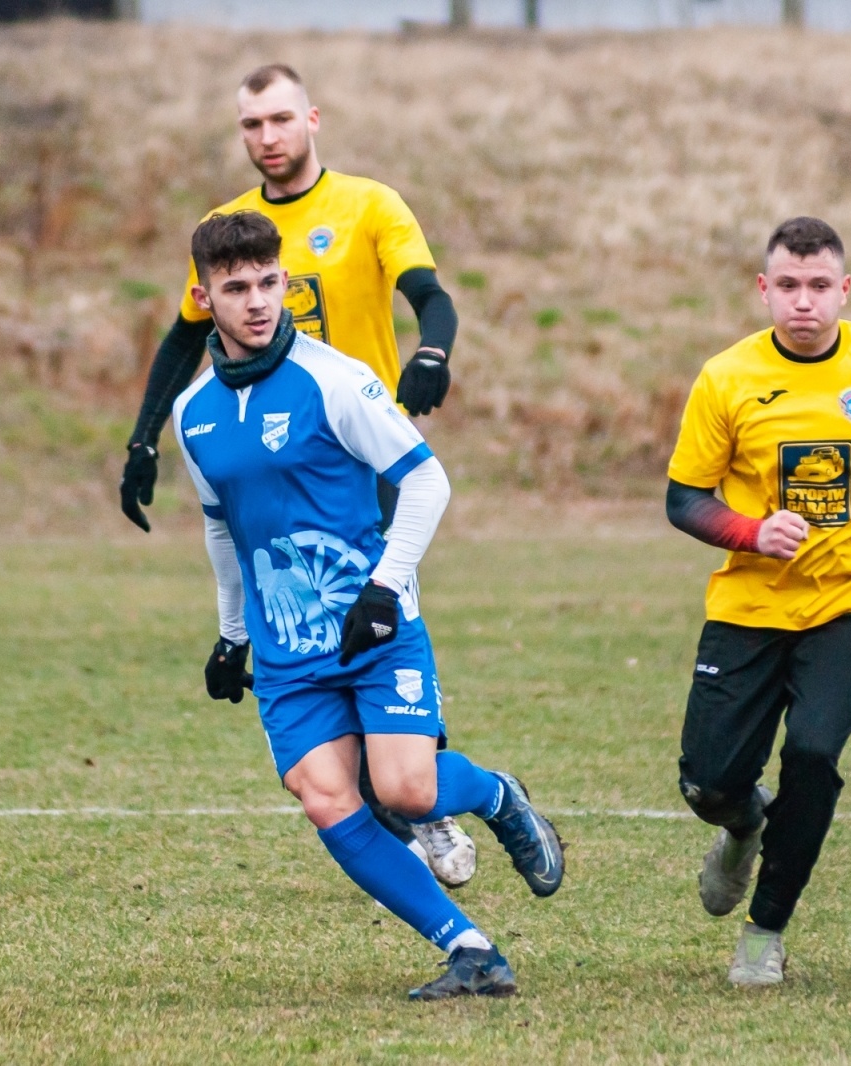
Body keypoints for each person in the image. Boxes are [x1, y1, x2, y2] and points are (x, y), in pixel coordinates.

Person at [174, 212, 564, 1000]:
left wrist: (385, 587)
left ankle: (494, 793)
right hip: (287, 653)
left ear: (285, 281)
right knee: (324, 794)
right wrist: (231, 637)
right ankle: (471, 951)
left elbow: (427, 481)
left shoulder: (336, 379)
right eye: (235, 288)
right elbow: (224, 531)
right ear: (203, 297)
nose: (256, 302)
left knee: (406, 791)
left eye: (268, 283)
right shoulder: (194, 415)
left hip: (373, 625)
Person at [120, 62, 475, 887]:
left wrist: (432, 351)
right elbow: (182, 339)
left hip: (359, 456)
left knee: (382, 628)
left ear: (312, 118)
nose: (268, 138)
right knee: (309, 642)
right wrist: (143, 439)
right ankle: (404, 796)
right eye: (252, 125)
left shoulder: (369, 204)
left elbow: (432, 294)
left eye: (280, 119)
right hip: (270, 459)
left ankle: (434, 799)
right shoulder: (227, 232)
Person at [665, 217, 851, 987]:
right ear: (765, 291)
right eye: (788, 287)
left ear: (844, 290)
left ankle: (765, 930)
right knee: (709, 782)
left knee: (814, 754)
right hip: (749, 608)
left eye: (819, 286)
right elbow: (683, 498)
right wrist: (750, 531)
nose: (805, 302)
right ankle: (743, 825)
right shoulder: (726, 378)